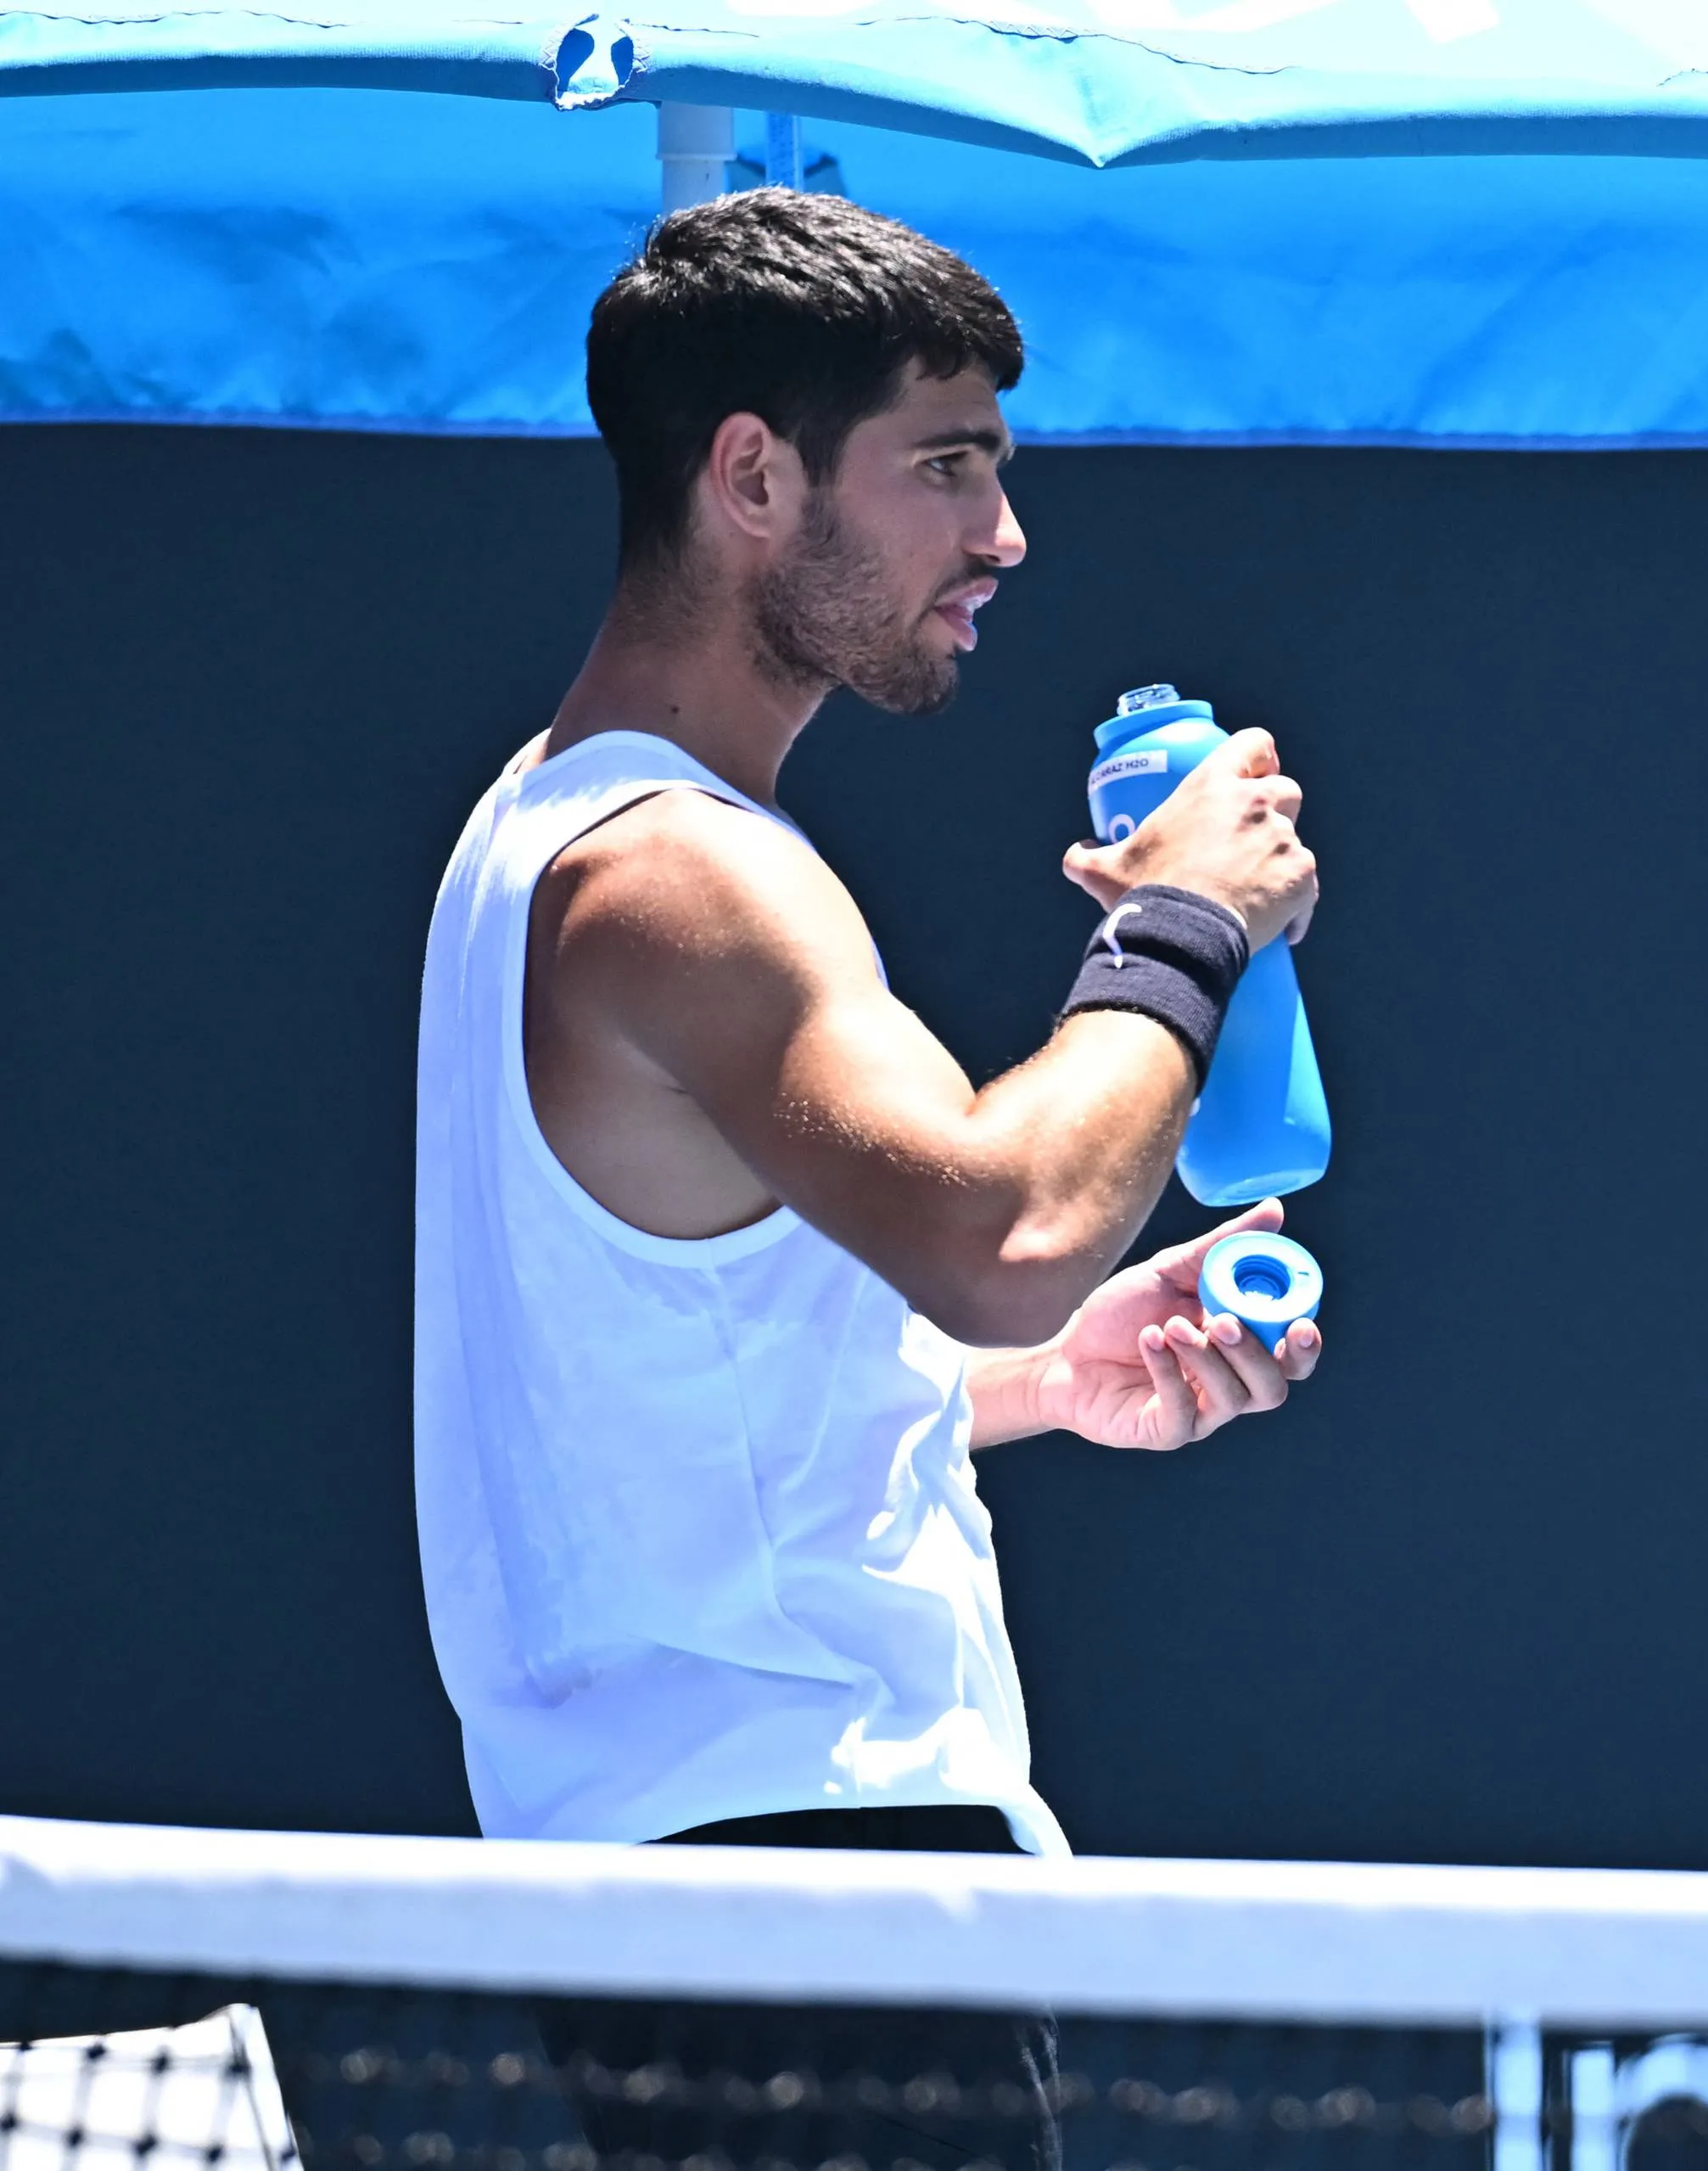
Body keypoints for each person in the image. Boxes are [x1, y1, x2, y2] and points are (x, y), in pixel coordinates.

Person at [413, 190, 1323, 2166]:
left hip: (724, 1883)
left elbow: (665, 1396)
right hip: (816, 1891)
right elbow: (1007, 1229)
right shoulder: (682, 873)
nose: (1004, 535)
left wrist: (1038, 1379)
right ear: (752, 474)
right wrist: (1181, 927)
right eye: (947, 465)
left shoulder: (534, 835)